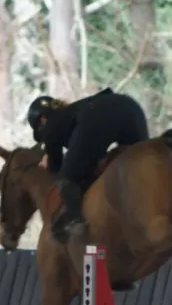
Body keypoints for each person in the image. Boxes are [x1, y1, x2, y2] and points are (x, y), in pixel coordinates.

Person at [25, 88, 150, 242]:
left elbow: (58, 169)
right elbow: (88, 155)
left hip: (98, 115)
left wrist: (47, 163)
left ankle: (75, 221)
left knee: (66, 179)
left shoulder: (51, 125)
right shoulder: (73, 113)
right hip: (130, 107)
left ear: (42, 120)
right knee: (142, 163)